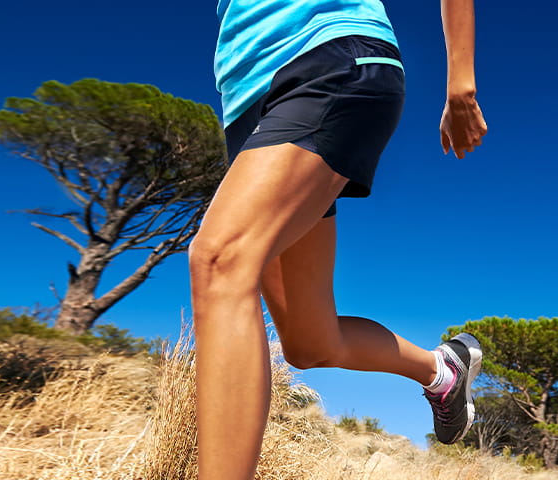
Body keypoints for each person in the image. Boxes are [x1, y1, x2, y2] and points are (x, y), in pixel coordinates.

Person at [190, 0, 490, 477]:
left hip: (329, 60)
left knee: (220, 261)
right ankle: (441, 369)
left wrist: (460, 84)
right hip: (246, 104)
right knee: (309, 343)